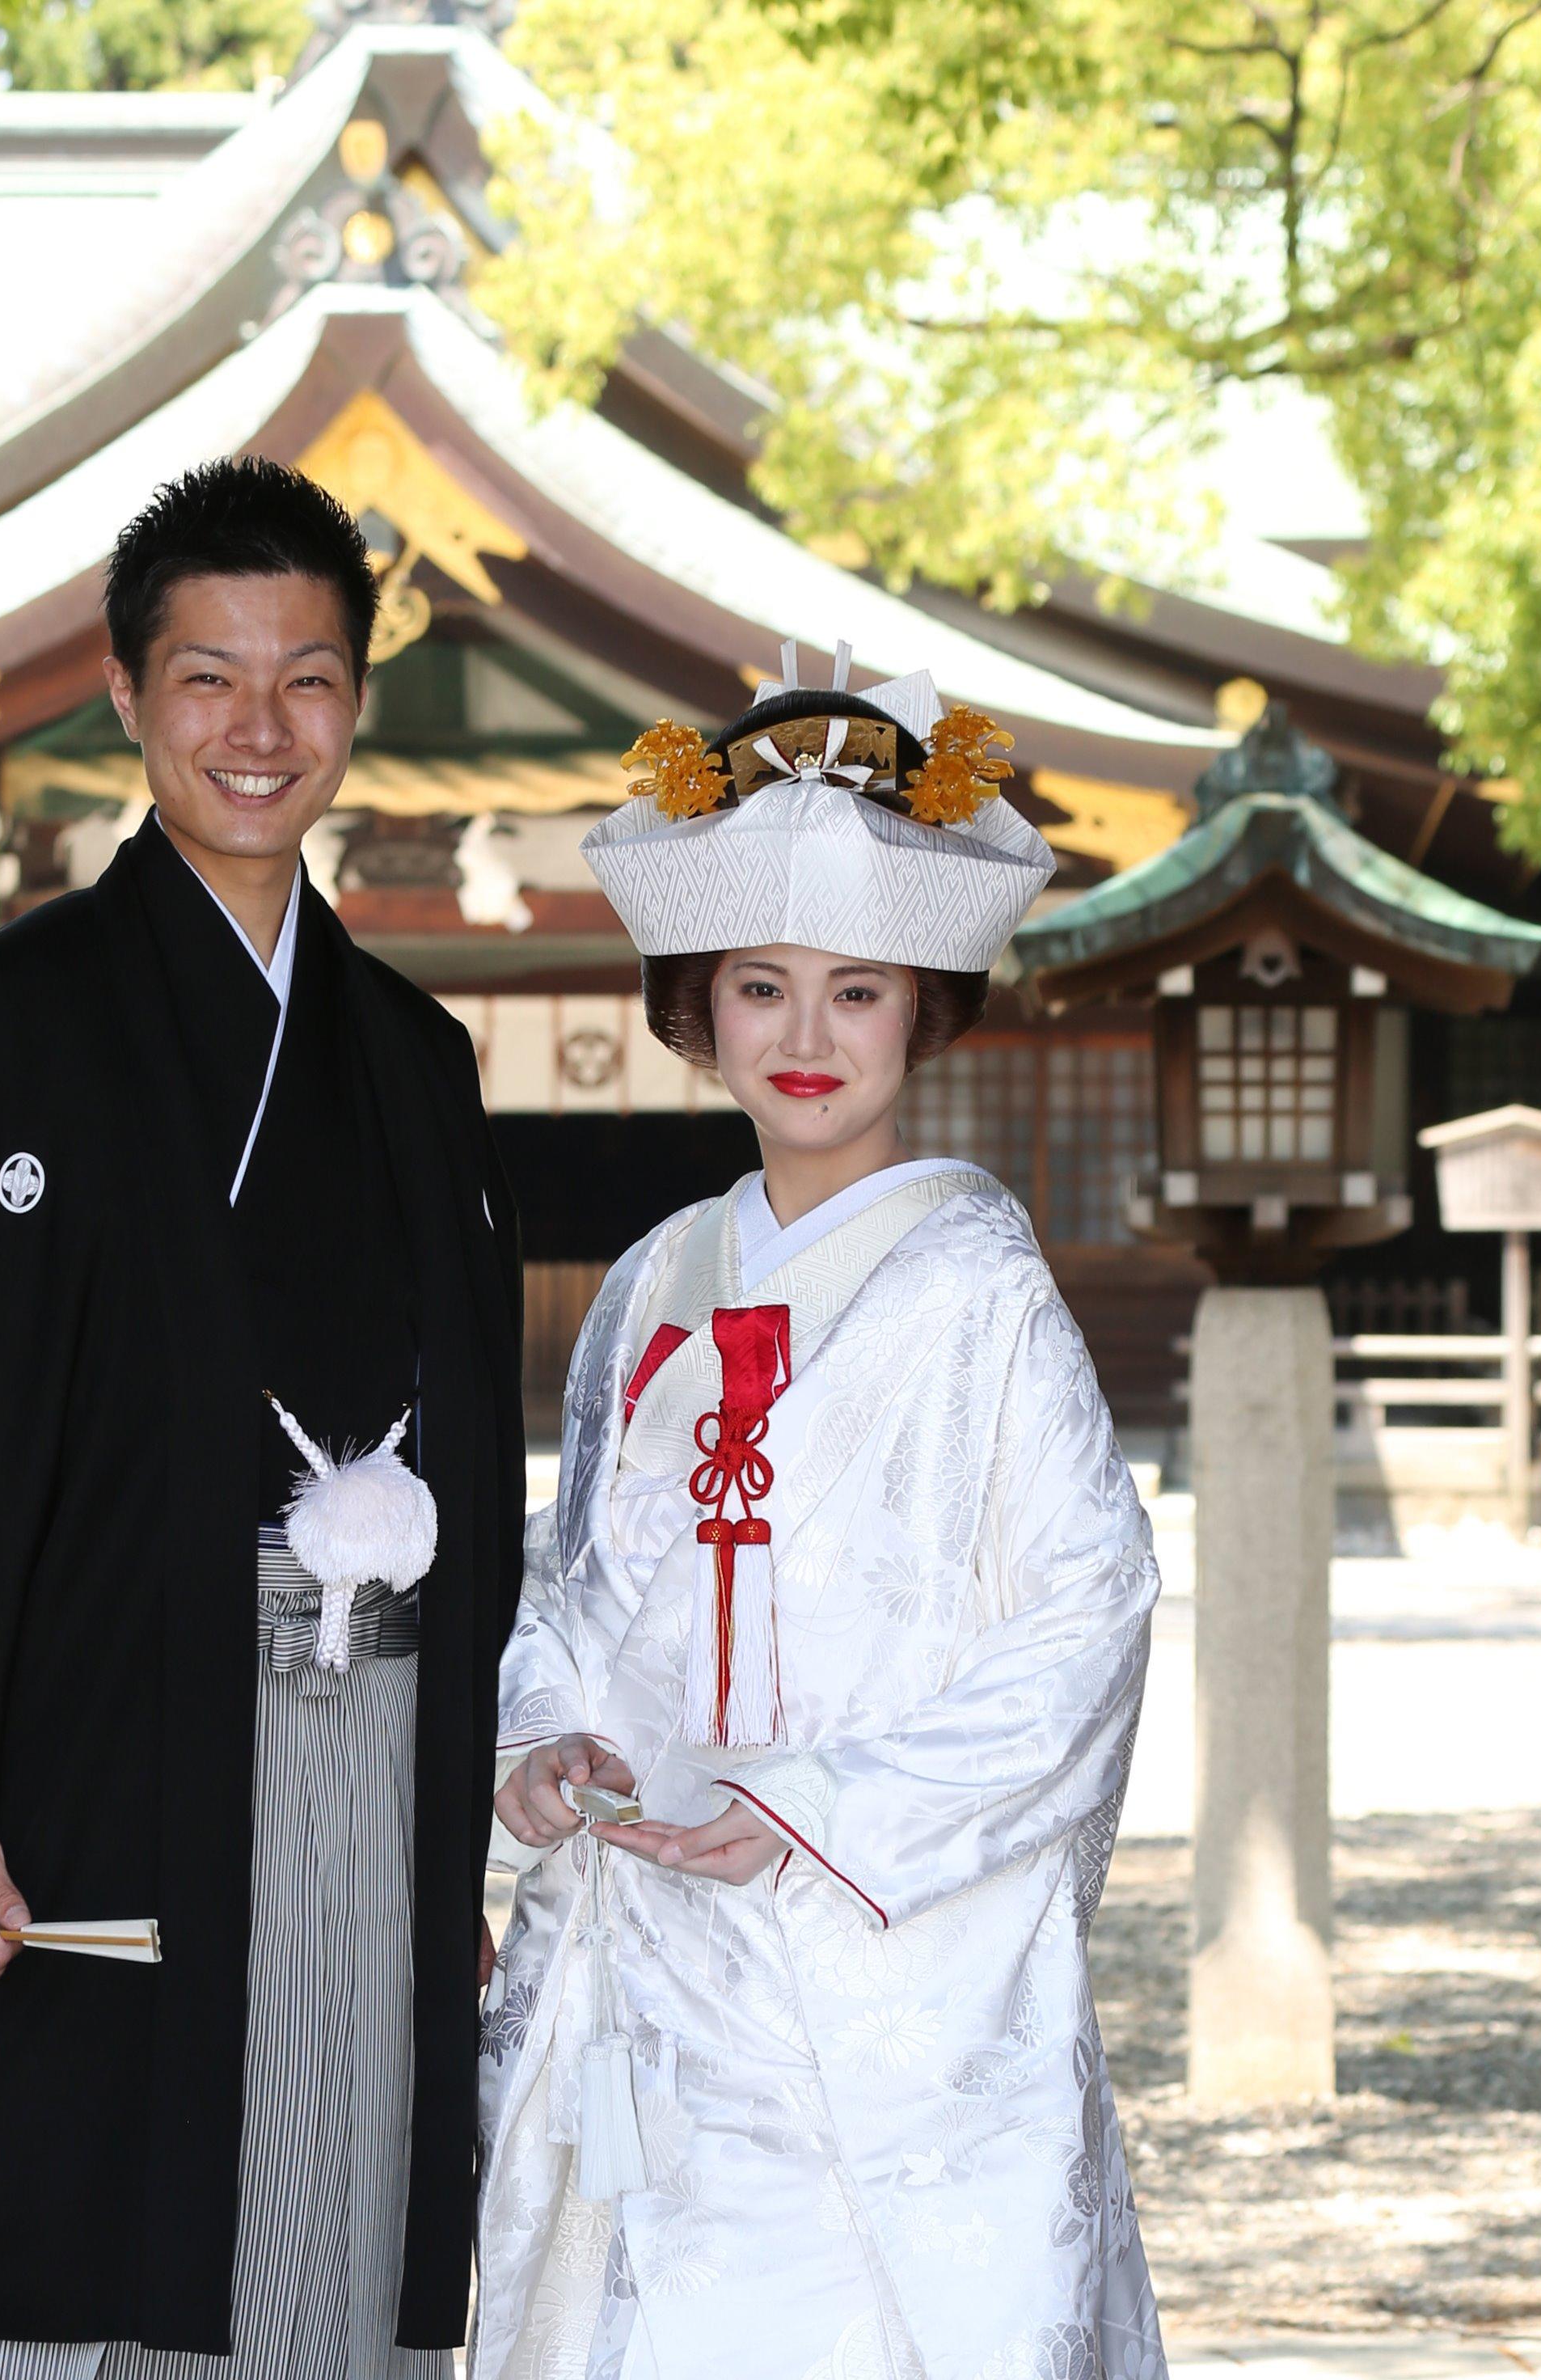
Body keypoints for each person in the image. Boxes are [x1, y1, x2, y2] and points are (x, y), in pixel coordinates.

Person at [0, 457, 524, 2377]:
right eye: (209, 679)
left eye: (308, 680)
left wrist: (447, 1841)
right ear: (127, 698)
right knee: (58, 2255)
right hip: (72, 1779)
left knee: (335, 2256)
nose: (261, 729)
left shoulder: (411, 1057)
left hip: (359, 1746)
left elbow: (480, 1470)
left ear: (357, 709)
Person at [472, 646, 1168, 2380]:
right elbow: (577, 1585)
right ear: (696, 1007)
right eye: (760, 986)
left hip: (876, 1963)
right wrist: (544, 1728)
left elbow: (1088, 1614)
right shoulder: (654, 1285)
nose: (803, 1035)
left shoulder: (976, 1297)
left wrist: (818, 1807)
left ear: (923, 1009)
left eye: (856, 991)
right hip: (652, 1947)